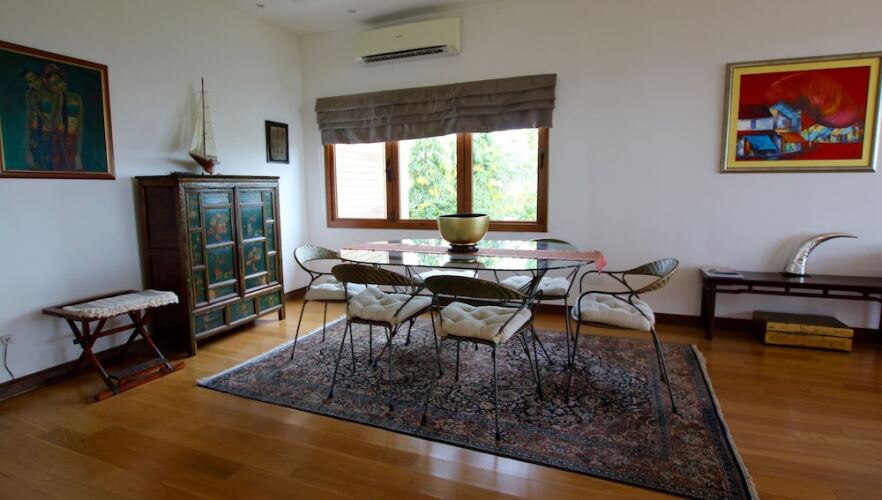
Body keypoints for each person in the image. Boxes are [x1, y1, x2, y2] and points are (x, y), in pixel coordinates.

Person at [43, 64, 84, 170]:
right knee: (59, 166)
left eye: (58, 81)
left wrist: (78, 153)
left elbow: (80, 125)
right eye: (53, 84)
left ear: (63, 81)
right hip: (59, 138)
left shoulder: (77, 98)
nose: (57, 86)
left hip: (72, 139)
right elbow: (52, 124)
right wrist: (60, 100)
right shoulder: (56, 99)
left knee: (72, 166)